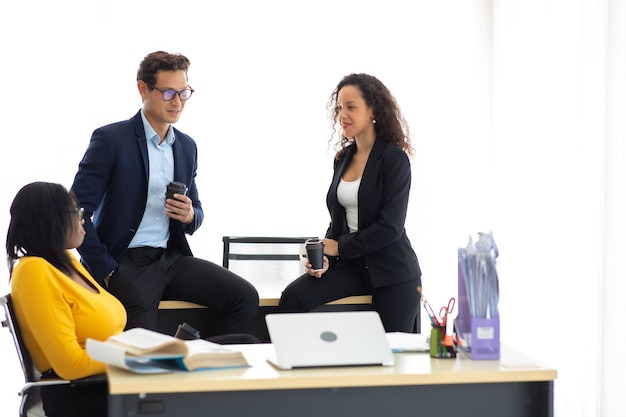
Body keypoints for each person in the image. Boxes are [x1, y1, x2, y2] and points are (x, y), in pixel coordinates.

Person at [70, 51, 259, 334]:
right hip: (125, 263)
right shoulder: (111, 140)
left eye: (184, 92)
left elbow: (197, 210)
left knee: (244, 297)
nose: (178, 102)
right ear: (143, 89)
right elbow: (78, 213)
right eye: (169, 92)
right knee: (143, 351)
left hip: (171, 258)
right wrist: (107, 271)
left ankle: (205, 369)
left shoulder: (186, 146)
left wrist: (189, 214)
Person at [279, 73, 422, 332]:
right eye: (339, 108)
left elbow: (391, 227)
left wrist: (339, 247)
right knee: (293, 298)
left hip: (393, 271)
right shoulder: (342, 158)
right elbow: (338, 220)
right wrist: (324, 257)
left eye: (351, 107)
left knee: (390, 357)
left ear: (373, 110)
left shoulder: (394, 159)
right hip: (354, 266)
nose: (342, 114)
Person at [7, 182, 127, 417]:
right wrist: (133, 359)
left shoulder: (66, 261)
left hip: (107, 382)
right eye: (76, 212)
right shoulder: (33, 271)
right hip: (80, 394)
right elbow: (70, 365)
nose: (83, 219)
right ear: (50, 220)